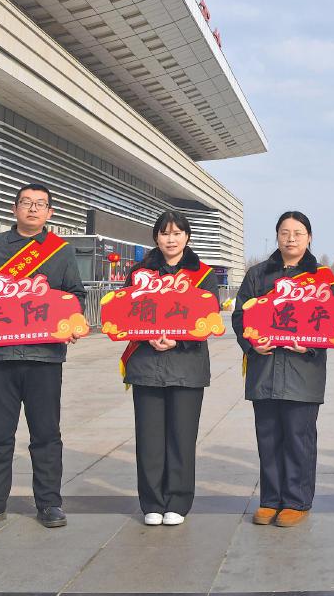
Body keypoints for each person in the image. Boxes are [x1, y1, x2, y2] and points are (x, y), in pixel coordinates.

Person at [0, 184, 85, 532]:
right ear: (15, 209)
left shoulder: (60, 251)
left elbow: (75, 295)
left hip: (45, 357)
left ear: (49, 213)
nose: (32, 209)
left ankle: (49, 503)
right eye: (26, 203)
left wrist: (73, 322)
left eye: (40, 204)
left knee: (46, 433)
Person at [232, 211, 331, 528]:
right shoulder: (258, 274)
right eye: (285, 232)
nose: (291, 238)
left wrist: (310, 344)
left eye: (298, 233)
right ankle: (270, 500)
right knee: (269, 437)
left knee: (299, 438)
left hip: (304, 371)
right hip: (265, 369)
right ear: (277, 236)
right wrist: (251, 344)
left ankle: (296, 501)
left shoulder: (322, 278)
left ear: (309, 238)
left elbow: (331, 320)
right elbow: (240, 316)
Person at [122, 210, 215, 527]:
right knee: (149, 438)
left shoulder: (202, 275)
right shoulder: (139, 273)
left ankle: (177, 501)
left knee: (181, 437)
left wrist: (178, 340)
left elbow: (208, 318)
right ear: (156, 237)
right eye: (165, 233)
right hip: (146, 366)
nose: (171, 239)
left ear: (187, 237)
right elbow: (126, 313)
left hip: (187, 368)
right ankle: (152, 502)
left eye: (177, 233)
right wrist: (146, 336)